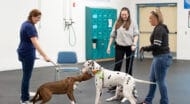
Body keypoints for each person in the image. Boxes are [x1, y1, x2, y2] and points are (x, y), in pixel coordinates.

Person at [17, 9, 51, 104]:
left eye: (40, 18)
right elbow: (35, 42)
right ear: (32, 16)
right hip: (27, 53)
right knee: (26, 77)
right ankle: (24, 99)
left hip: (23, 51)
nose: (39, 20)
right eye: (38, 18)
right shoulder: (30, 27)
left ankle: (25, 93)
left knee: (26, 76)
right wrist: (45, 56)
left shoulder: (25, 24)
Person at [140, 9, 172, 104]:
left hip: (162, 58)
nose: (149, 20)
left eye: (150, 18)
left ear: (156, 18)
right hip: (158, 57)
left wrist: (144, 48)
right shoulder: (158, 28)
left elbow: (156, 45)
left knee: (160, 81)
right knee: (152, 79)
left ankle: (165, 102)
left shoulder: (159, 29)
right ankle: (148, 100)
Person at [107, 7, 139, 75]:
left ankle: (128, 83)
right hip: (119, 47)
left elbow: (136, 35)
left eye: (125, 14)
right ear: (120, 15)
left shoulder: (133, 22)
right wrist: (109, 46)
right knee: (117, 66)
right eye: (122, 14)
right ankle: (114, 83)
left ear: (128, 14)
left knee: (129, 67)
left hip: (130, 47)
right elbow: (112, 35)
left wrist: (134, 44)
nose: (124, 16)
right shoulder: (117, 22)